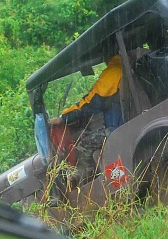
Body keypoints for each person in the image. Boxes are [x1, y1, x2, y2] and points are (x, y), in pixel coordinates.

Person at [49, 55, 123, 185]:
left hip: (114, 127)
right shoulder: (121, 67)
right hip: (120, 120)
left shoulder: (113, 71)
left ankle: (91, 184)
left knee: (82, 147)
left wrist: (63, 118)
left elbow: (92, 102)